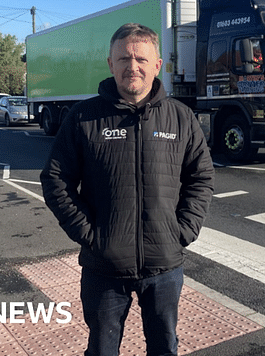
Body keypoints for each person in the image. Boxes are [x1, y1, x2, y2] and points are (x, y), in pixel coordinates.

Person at [40, 23, 215, 356]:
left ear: (157, 65)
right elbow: (55, 179)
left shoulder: (181, 118)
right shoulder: (83, 117)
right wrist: (90, 235)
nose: (132, 66)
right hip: (103, 267)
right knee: (102, 349)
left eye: (140, 58)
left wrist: (182, 231)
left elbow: (202, 176)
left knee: (165, 347)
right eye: (123, 58)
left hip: (164, 265)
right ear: (110, 64)